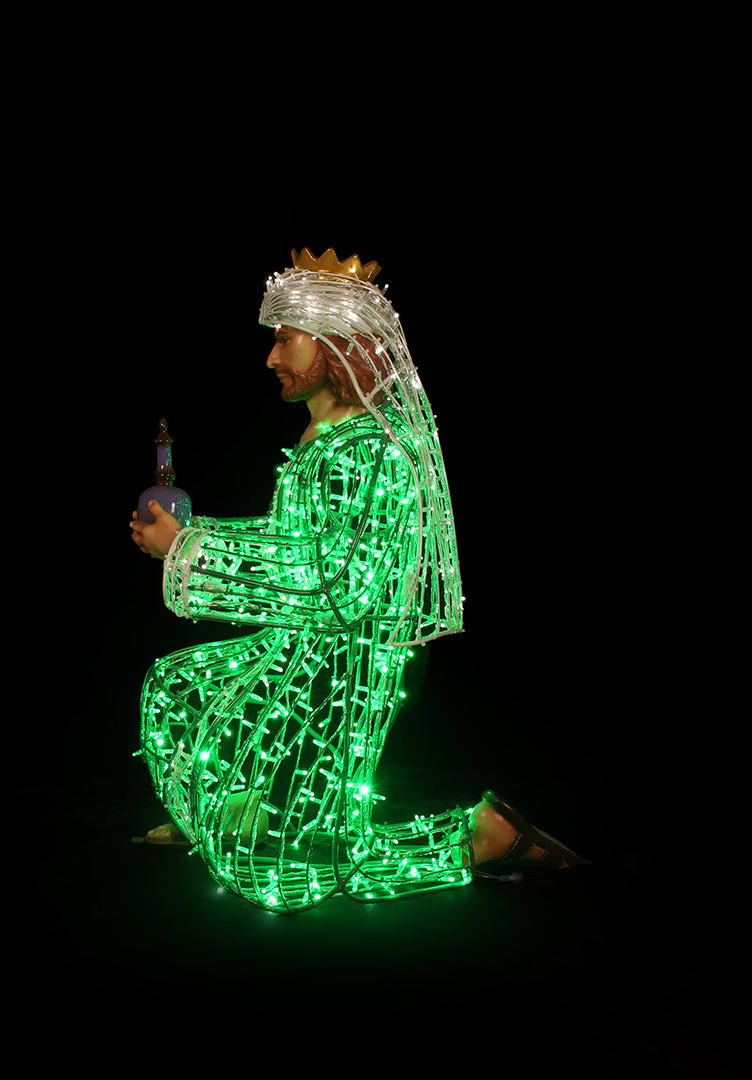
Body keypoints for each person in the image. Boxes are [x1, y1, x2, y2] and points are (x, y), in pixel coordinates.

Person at [130, 248, 586, 911]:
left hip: (347, 662)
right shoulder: (324, 437)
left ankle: (475, 839)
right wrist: (192, 536)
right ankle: (227, 816)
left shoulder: (369, 449)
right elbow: (295, 543)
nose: (271, 358)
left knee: (275, 874)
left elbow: (337, 585)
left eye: (286, 339)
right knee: (175, 691)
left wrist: (189, 550)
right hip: (301, 645)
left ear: (336, 344)